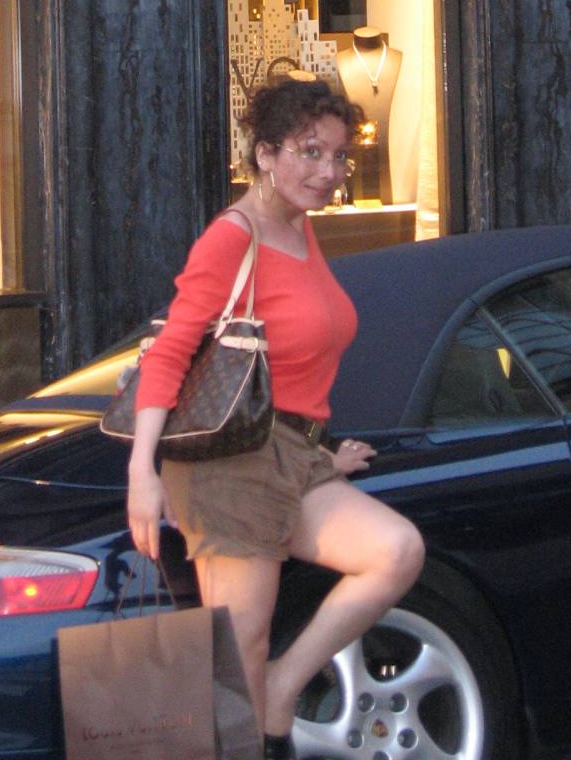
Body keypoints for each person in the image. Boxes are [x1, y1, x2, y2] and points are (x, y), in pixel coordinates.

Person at [125, 75, 425, 760]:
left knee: (395, 551)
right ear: (264, 154)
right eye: (310, 152)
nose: (329, 172)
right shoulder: (233, 236)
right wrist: (142, 470)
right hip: (232, 469)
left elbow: (294, 366)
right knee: (238, 663)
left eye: (340, 156)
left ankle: (288, 684)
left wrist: (320, 454)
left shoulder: (298, 228)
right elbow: (169, 351)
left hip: (292, 458)